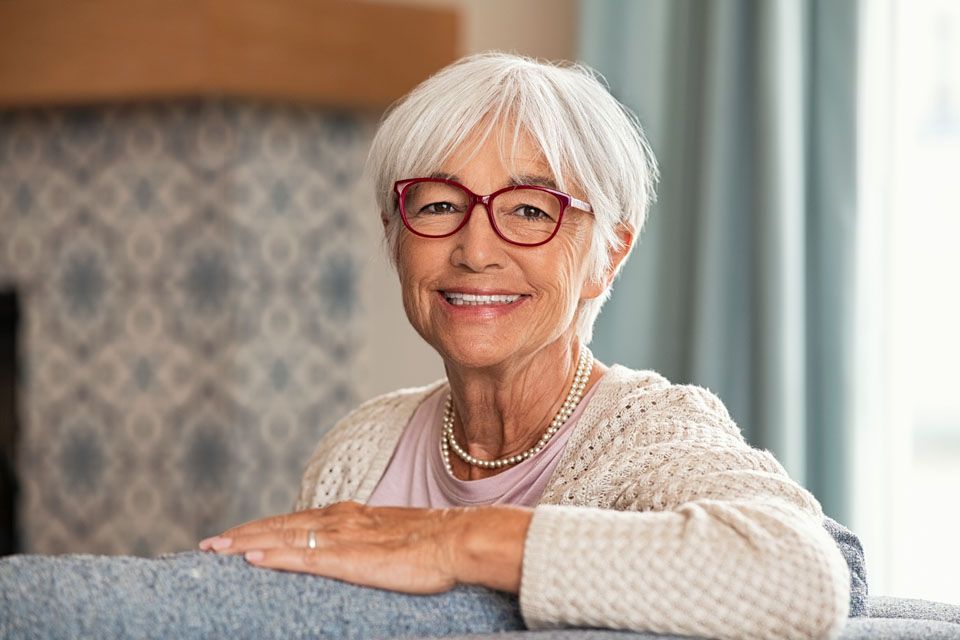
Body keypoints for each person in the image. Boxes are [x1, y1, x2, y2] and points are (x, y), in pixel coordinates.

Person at [1, 52, 861, 640]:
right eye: (439, 204)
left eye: (530, 209)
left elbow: (805, 574)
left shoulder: (647, 431)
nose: (475, 248)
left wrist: (450, 542)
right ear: (396, 235)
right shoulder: (362, 444)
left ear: (609, 254)